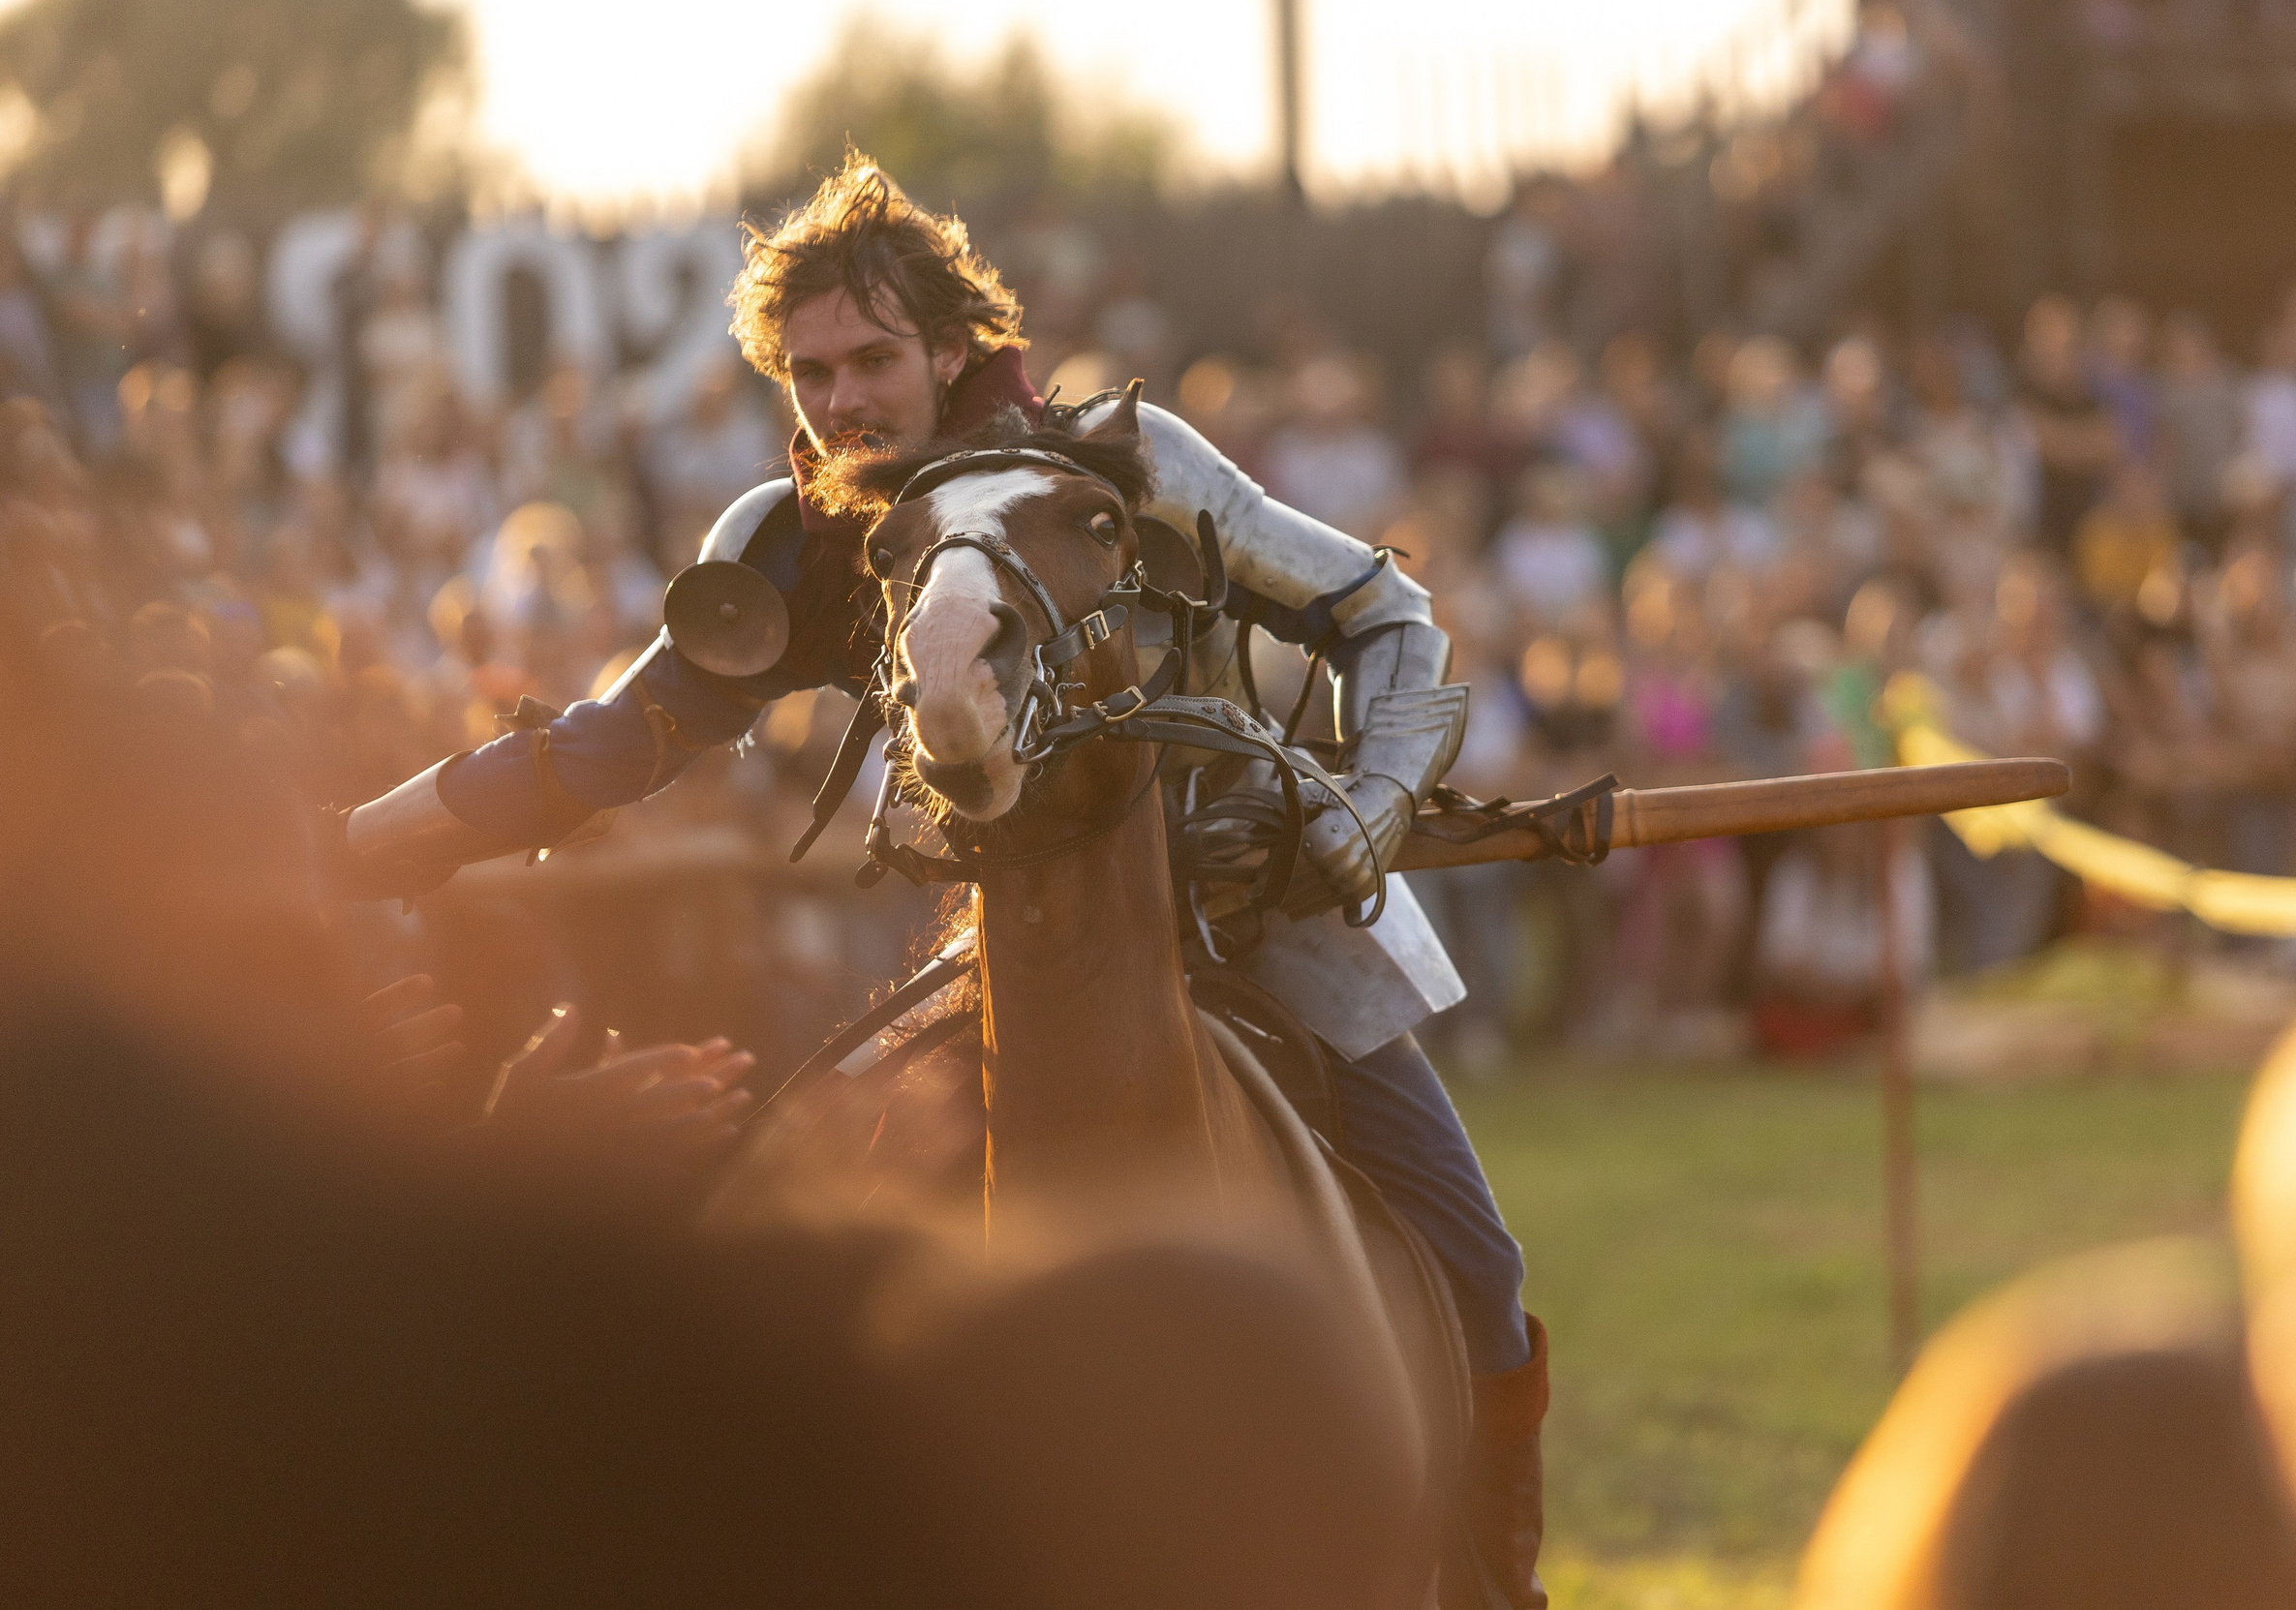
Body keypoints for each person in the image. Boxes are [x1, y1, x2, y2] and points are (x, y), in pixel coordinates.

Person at [323, 150, 1551, 1605]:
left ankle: (1488, 1582)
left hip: (1266, 927)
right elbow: (605, 748)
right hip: (1007, 948)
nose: (840, 402)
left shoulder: (1125, 471)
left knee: (1478, 1282)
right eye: (809, 373)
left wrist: (1358, 812)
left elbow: (1382, 613)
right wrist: (357, 841)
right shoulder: (794, 547)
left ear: (955, 346)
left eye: (871, 359)